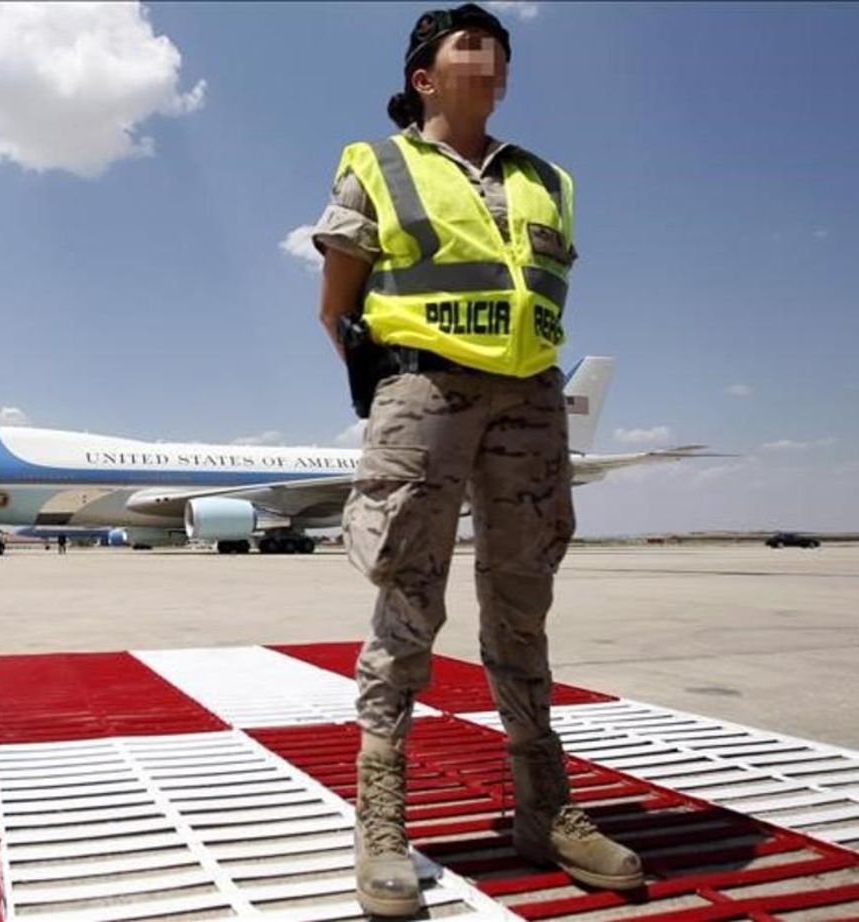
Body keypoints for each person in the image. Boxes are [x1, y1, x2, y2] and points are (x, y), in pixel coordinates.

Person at [313, 5, 643, 914]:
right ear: (424, 76)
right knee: (407, 597)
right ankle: (382, 821)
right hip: (424, 391)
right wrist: (394, 390)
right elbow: (336, 302)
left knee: (523, 599)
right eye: (464, 40)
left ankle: (545, 808)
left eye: (496, 43)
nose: (486, 47)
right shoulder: (376, 164)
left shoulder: (546, 177)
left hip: (532, 398)